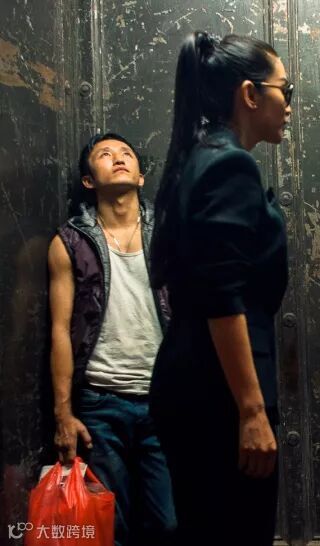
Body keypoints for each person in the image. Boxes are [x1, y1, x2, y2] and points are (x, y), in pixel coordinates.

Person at [148, 31, 291, 545]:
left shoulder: (201, 155)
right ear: (250, 94)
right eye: (284, 91)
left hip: (199, 387)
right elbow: (221, 297)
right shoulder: (230, 164)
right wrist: (251, 411)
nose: (289, 105)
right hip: (218, 397)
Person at [48, 132, 176, 546]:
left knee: (170, 524)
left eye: (126, 153)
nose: (118, 158)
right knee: (107, 528)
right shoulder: (70, 242)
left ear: (140, 177)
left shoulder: (170, 232)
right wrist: (63, 415)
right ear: (89, 180)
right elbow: (60, 330)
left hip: (164, 400)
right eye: (105, 154)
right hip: (100, 404)